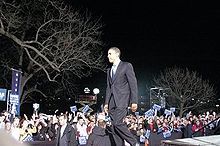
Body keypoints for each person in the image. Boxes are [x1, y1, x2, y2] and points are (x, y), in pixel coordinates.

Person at [104, 47, 139, 146]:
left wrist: (134, 101)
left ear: (116, 54)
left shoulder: (126, 66)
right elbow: (108, 87)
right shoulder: (109, 70)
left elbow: (133, 84)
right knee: (114, 128)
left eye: (110, 54)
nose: (108, 56)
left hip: (122, 100)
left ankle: (134, 143)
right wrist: (106, 103)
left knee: (117, 123)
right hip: (112, 102)